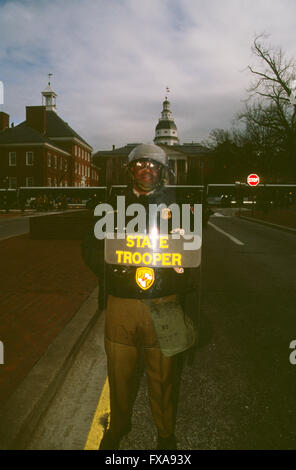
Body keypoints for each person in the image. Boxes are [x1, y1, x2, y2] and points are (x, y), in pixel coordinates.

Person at [81, 143, 199, 450]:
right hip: (122, 301)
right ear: (131, 170)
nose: (146, 171)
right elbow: (90, 248)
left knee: (164, 376)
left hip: (165, 300)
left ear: (162, 173)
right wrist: (110, 265)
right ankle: (119, 424)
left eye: (153, 166)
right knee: (119, 373)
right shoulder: (109, 205)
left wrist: (182, 260)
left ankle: (165, 432)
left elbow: (194, 246)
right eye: (140, 166)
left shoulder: (180, 207)